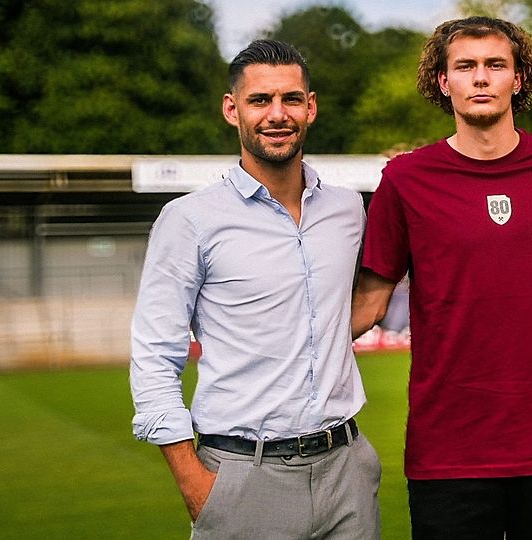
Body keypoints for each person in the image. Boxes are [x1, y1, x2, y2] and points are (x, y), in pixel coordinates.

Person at [351, 16, 532, 540]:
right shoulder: (405, 179)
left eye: (495, 65)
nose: (480, 77)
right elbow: (369, 305)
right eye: (465, 66)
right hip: (448, 450)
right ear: (442, 81)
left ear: (518, 80)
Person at [129, 39, 380, 539]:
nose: (277, 114)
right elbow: (155, 354)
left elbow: (349, 308)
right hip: (243, 475)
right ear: (232, 109)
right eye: (259, 100)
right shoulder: (190, 220)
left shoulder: (348, 210)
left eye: (290, 99)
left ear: (310, 106)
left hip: (347, 469)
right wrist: (195, 483)